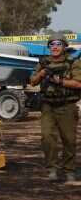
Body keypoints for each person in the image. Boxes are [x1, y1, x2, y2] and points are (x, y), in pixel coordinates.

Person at [29, 32, 81, 182]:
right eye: (52, 44)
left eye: (58, 44)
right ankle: (52, 169)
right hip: (48, 106)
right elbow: (32, 82)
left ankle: (69, 170)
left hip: (67, 105)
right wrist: (42, 73)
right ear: (49, 47)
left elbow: (78, 83)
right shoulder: (43, 63)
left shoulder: (73, 62)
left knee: (69, 140)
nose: (55, 47)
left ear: (64, 46)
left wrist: (60, 81)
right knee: (47, 137)